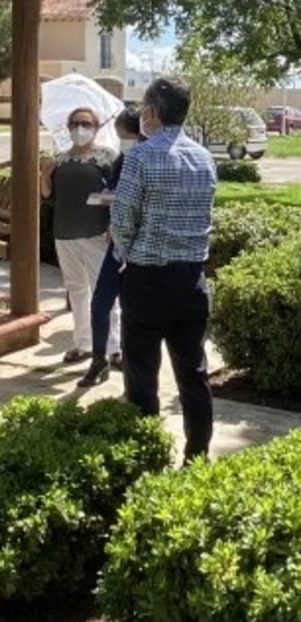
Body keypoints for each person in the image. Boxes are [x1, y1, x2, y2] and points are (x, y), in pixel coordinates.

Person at [110, 76, 217, 463]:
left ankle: (146, 459)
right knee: (194, 373)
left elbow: (123, 219)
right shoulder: (204, 158)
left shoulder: (140, 156)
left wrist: (126, 254)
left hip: (147, 279)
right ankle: (197, 458)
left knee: (141, 374)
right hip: (191, 279)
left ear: (151, 112)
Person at [39, 105, 117, 365]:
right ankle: (83, 343)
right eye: (75, 123)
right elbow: (48, 196)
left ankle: (114, 348)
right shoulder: (60, 160)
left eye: (86, 124)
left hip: (96, 233)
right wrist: (44, 176)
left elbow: (117, 194)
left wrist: (111, 224)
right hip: (65, 232)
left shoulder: (107, 158)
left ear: (96, 127)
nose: (80, 128)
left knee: (103, 290)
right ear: (68, 127)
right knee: (76, 290)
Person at [76, 107, 143, 388]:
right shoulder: (122, 159)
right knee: (100, 303)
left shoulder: (145, 158)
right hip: (117, 243)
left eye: (123, 133)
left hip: (140, 245)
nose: (120, 139)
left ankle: (131, 362)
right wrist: (107, 198)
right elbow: (114, 191)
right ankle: (98, 359)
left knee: (133, 307)